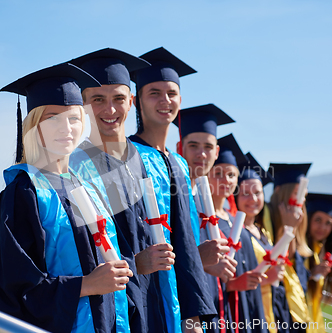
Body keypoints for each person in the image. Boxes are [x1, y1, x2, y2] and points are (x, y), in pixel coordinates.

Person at [0, 63, 133, 333]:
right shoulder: (24, 194)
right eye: (52, 118)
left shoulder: (87, 188)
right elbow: (15, 289)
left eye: (73, 118)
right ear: (33, 125)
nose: (65, 127)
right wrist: (87, 285)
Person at [68, 48, 181, 333]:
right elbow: (82, 252)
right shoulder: (75, 168)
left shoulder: (141, 161)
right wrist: (136, 264)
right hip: (114, 314)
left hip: (155, 305)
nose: (110, 110)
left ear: (131, 102)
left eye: (119, 99)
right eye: (97, 100)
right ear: (82, 105)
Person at [129, 47, 218, 332]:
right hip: (146, 296)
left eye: (172, 93)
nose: (165, 100)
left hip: (182, 302)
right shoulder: (126, 157)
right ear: (136, 101)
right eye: (154, 92)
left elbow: (185, 235)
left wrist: (194, 313)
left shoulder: (178, 163)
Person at [173, 105, 238, 333]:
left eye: (208, 147)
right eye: (193, 146)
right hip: (180, 312)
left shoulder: (204, 203)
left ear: (217, 152)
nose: (202, 154)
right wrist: (201, 262)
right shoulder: (170, 197)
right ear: (180, 148)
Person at [206, 135, 268, 333]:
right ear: (206, 174)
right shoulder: (203, 221)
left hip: (244, 314)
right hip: (219, 315)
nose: (226, 180)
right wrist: (232, 285)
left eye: (232, 175)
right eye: (219, 173)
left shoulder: (236, 223)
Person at [236, 152, 290, 333]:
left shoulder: (262, 232)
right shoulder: (235, 234)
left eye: (257, 193)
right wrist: (269, 279)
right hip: (249, 313)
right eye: (245, 193)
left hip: (271, 311)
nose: (253, 199)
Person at [267, 163, 314, 333]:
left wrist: (292, 228)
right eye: (296, 193)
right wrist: (287, 229)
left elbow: (293, 262)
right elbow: (274, 258)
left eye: (304, 195)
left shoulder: (297, 220)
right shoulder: (265, 215)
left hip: (291, 305)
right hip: (273, 299)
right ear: (280, 191)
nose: (300, 201)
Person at [305, 193, 332, 333]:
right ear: (308, 219)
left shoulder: (319, 251)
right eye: (318, 220)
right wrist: (310, 274)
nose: (323, 227)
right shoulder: (298, 250)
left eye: (328, 223)